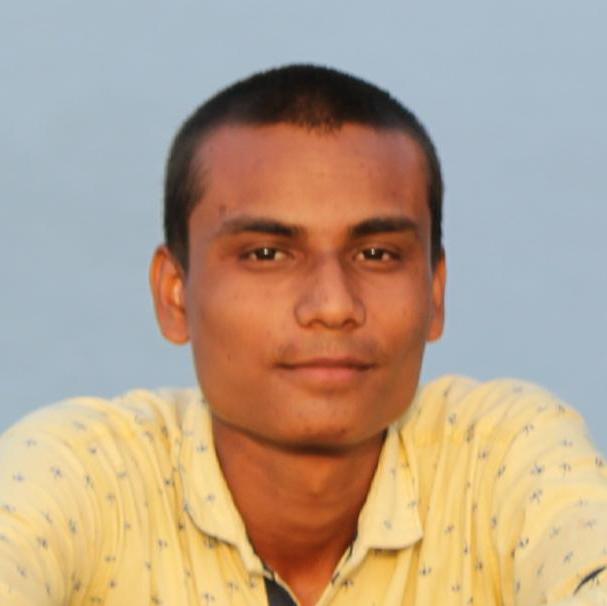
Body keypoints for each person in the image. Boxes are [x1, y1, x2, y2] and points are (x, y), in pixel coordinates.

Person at [0, 64, 605, 606]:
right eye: (266, 254)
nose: (333, 306)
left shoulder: (503, 459)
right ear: (175, 293)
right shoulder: (81, 475)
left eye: (376, 254)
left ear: (434, 292)